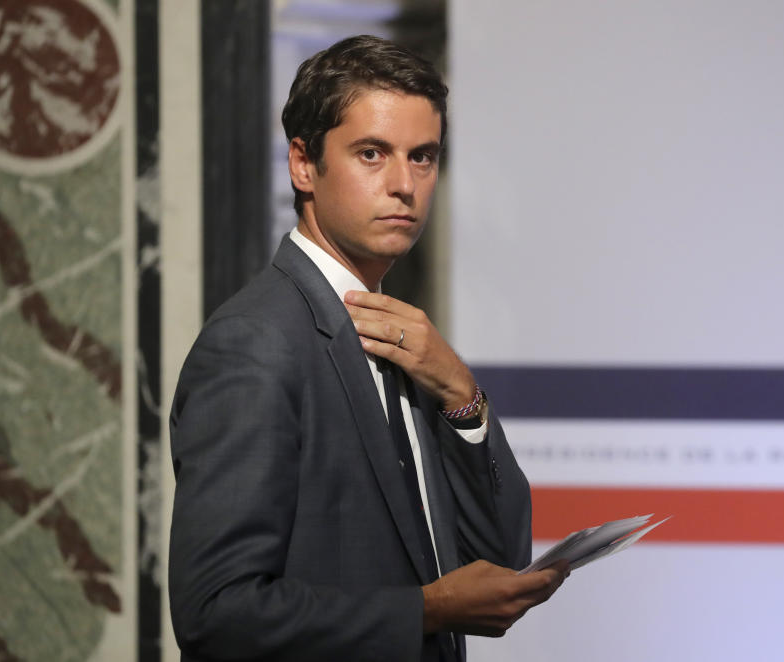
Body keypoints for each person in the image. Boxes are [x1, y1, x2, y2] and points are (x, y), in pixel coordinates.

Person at [168, 35, 567, 662]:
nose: (404, 185)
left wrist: (462, 393)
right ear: (303, 164)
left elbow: (497, 560)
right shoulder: (255, 342)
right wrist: (428, 610)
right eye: (372, 153)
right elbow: (216, 614)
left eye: (424, 157)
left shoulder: (408, 339)